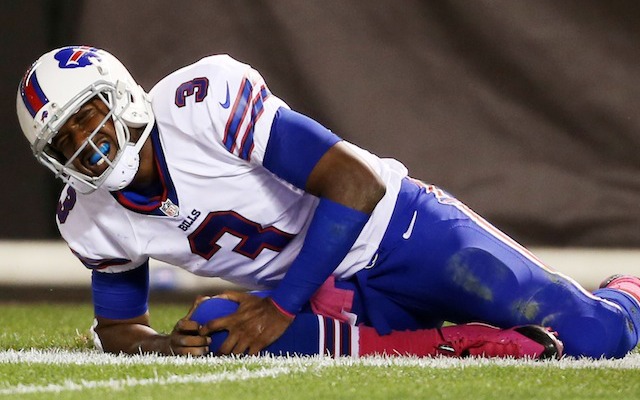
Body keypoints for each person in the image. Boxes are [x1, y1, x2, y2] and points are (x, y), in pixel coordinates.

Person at [16, 45, 639, 359]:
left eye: (89, 117)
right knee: (212, 328)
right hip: (325, 295)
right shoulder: (87, 215)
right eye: (66, 138)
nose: (87, 144)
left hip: (401, 232)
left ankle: (628, 292)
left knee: (595, 335)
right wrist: (168, 344)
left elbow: (356, 183)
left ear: (122, 97)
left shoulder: (199, 104)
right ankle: (464, 342)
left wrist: (279, 308)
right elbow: (118, 327)